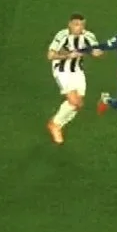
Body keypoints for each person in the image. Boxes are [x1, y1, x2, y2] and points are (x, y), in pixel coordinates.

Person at [45, 13, 102, 144]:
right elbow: (50, 55)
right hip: (61, 70)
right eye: (76, 24)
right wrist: (68, 56)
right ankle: (55, 125)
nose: (79, 27)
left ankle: (57, 123)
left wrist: (96, 52)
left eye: (82, 25)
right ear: (69, 24)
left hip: (77, 70)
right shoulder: (62, 36)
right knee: (73, 101)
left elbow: (97, 51)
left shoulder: (88, 36)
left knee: (78, 104)